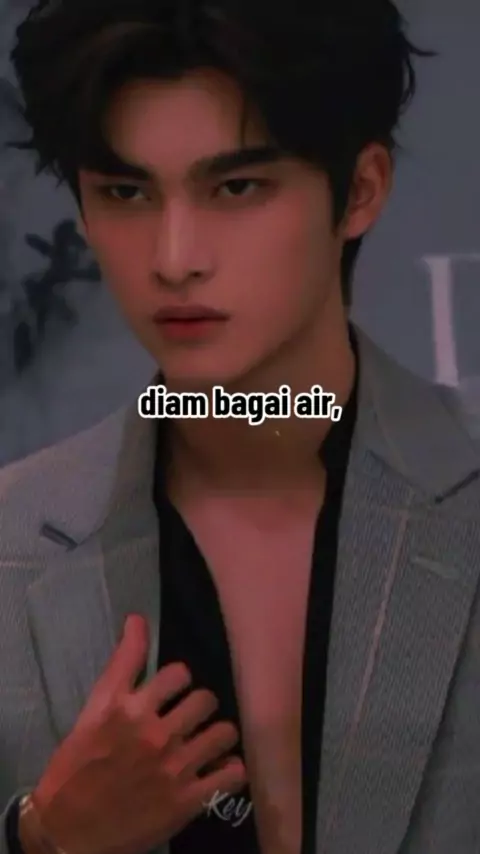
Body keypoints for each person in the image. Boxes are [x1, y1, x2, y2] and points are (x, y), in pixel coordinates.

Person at [1, 1, 478, 853]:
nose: (174, 257)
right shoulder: (11, 539)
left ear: (360, 190)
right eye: (126, 192)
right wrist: (44, 838)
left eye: (236, 187)